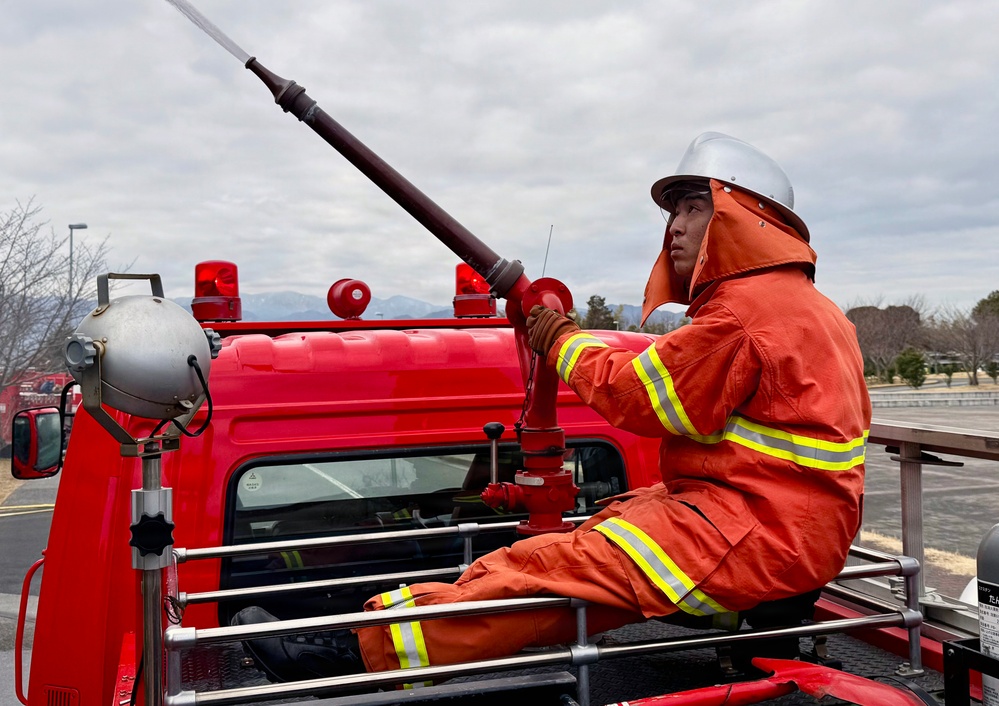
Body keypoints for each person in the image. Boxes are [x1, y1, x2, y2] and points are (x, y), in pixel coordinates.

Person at [234, 131, 871, 683]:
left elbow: (636, 392)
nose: (675, 226)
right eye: (673, 211)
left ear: (745, 217)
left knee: (549, 570)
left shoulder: (744, 313)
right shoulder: (809, 308)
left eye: (695, 207)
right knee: (593, 534)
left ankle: (353, 652)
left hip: (756, 531)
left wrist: (562, 340)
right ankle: (751, 638)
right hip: (780, 526)